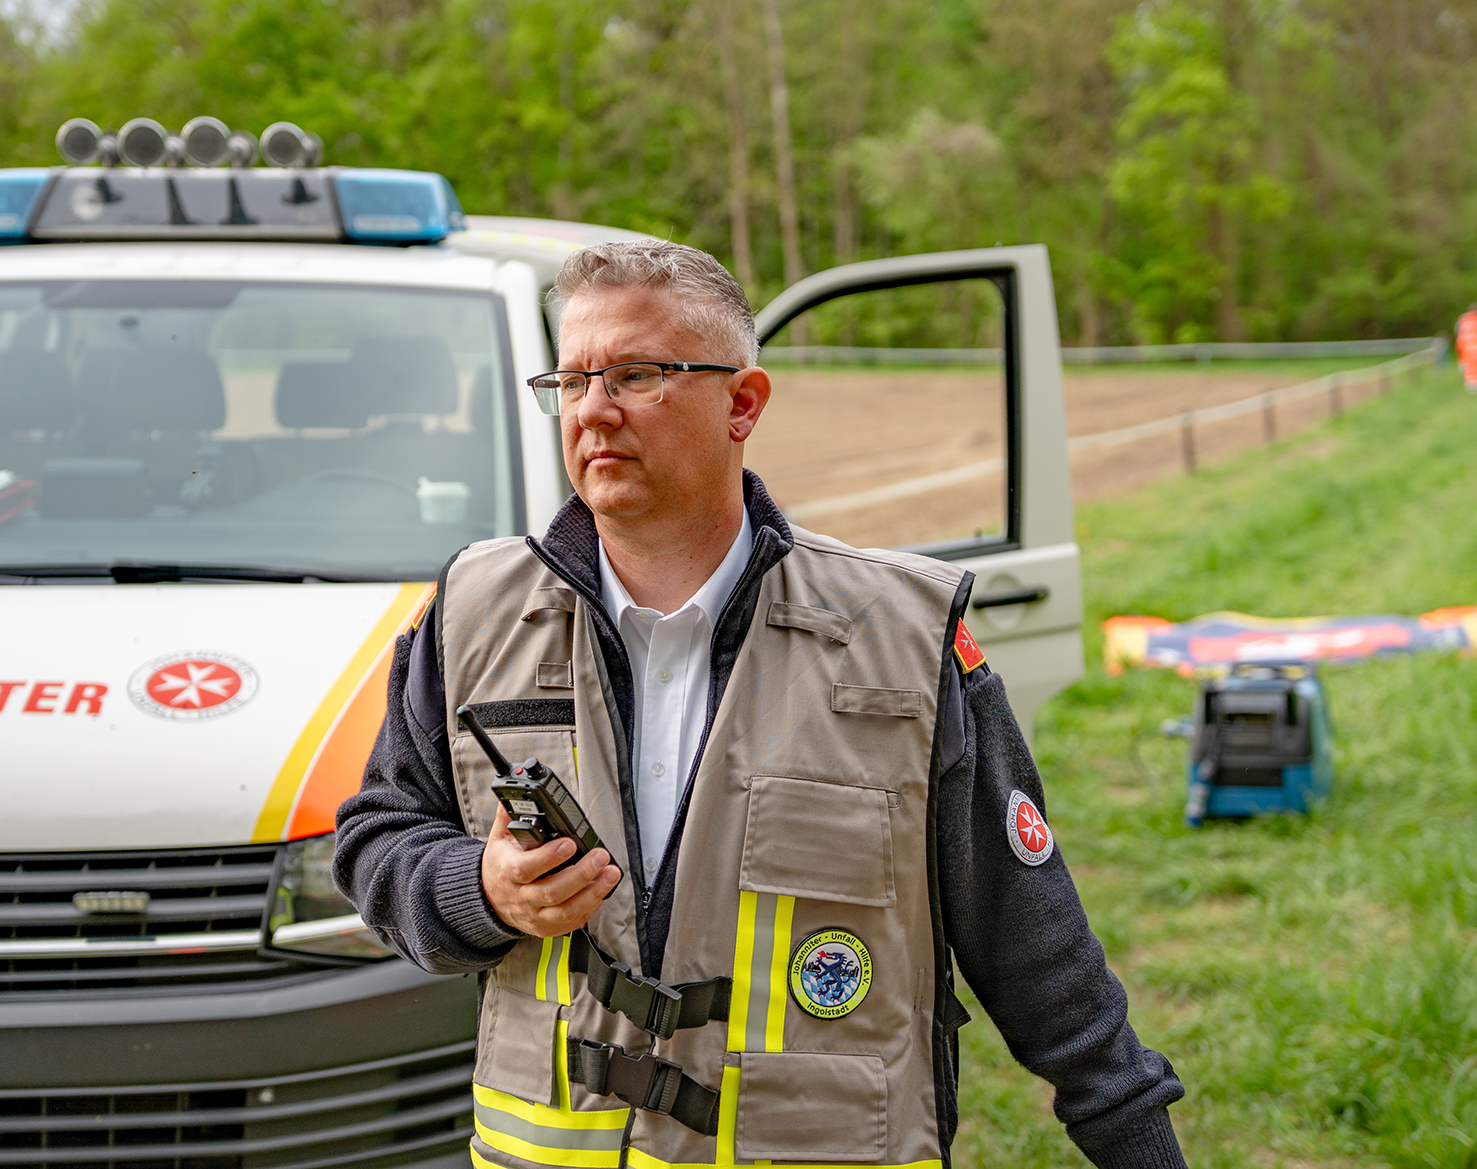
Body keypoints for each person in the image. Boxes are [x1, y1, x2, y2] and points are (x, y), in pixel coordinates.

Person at [333, 240, 1188, 1169]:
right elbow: (377, 838)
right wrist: (481, 890)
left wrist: (1138, 1144)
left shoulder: (897, 634)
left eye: (635, 374)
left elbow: (1038, 950)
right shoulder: (472, 609)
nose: (592, 410)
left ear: (742, 403)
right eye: (571, 380)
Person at [1456, 303, 1477, 393]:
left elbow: (1459, 336)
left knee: (1473, 371)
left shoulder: (1464, 320)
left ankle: (1475, 386)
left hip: (1469, 348)